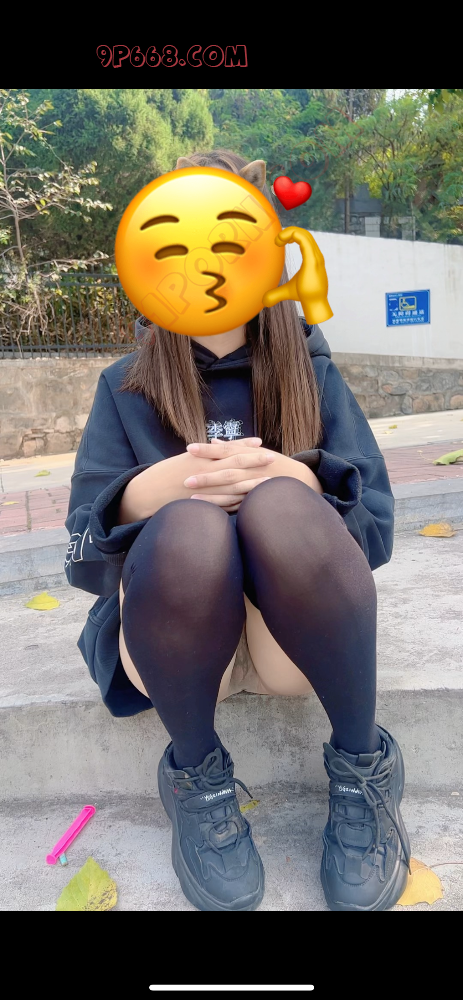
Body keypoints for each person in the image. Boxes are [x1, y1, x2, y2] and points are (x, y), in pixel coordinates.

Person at [65, 148, 411, 913]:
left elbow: (378, 530)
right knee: (189, 526)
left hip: (290, 646)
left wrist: (295, 479)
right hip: (178, 650)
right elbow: (79, 557)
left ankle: (362, 768)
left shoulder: (312, 371)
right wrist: (151, 492)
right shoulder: (123, 385)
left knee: (281, 503)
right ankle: (198, 778)